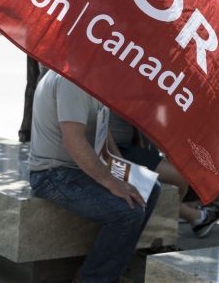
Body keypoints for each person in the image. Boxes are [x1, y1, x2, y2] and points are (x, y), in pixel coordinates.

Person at [29, 71, 161, 282]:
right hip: (52, 173)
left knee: (151, 190)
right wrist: (112, 182)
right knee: (128, 213)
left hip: (78, 166)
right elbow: (73, 141)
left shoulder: (95, 76)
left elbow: (103, 130)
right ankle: (91, 278)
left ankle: (112, 271)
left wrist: (123, 171)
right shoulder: (71, 79)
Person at [109, 114, 219, 238]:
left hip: (128, 148)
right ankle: (189, 220)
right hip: (117, 151)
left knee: (179, 177)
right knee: (177, 179)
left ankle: (187, 221)